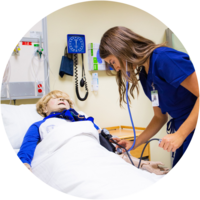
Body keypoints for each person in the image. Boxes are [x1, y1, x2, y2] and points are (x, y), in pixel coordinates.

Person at [99, 26, 199, 167]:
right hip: (185, 130)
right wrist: (134, 143)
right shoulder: (145, 77)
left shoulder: (164, 58)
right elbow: (159, 117)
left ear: (120, 49)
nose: (116, 68)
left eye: (112, 62)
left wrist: (180, 135)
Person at [17, 90, 168, 175]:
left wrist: (144, 164)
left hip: (94, 159)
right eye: (56, 98)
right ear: (44, 109)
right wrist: (24, 164)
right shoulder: (39, 125)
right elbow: (27, 147)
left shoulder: (85, 121)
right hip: (67, 161)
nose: (62, 99)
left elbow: (109, 153)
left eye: (65, 99)